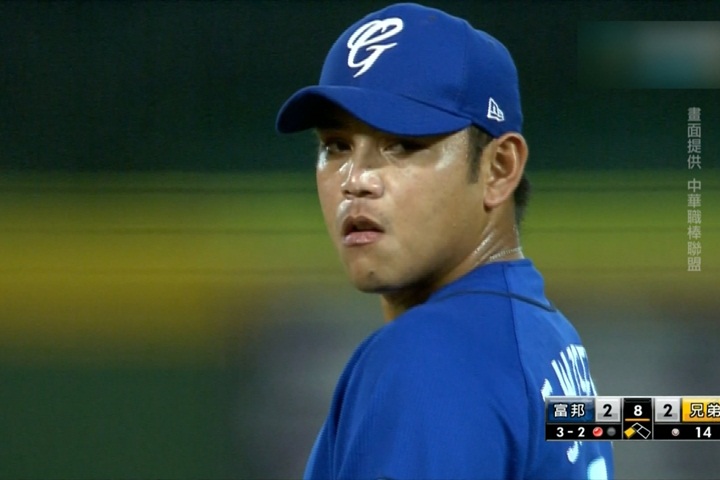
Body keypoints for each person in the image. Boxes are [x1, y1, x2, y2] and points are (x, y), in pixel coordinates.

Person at [275, 3, 614, 479]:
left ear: (499, 168)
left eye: (403, 144)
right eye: (336, 146)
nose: (355, 180)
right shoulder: (543, 335)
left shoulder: (428, 356)